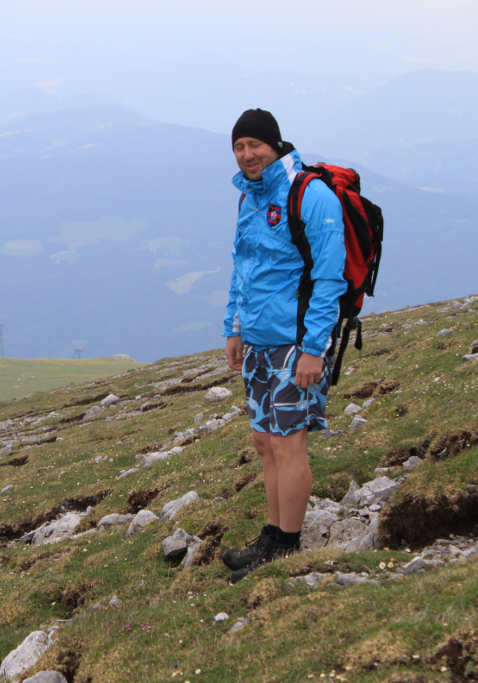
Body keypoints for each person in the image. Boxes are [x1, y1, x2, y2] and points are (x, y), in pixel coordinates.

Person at [221, 109, 346, 584]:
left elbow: (329, 278)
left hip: (296, 344)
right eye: (239, 147)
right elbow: (242, 267)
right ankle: (272, 535)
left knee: (289, 444)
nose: (248, 154)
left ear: (276, 144)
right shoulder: (250, 197)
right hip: (257, 341)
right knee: (265, 441)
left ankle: (287, 546)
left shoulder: (309, 195)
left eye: (255, 144)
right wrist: (233, 329)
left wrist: (315, 349)